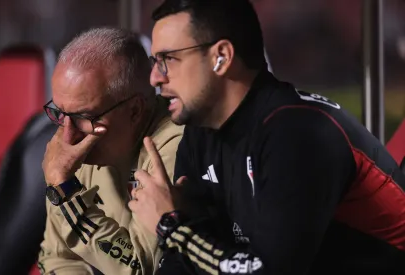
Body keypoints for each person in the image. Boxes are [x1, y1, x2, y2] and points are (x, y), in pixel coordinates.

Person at [128, 0, 405, 274]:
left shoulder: (297, 133)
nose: (155, 78)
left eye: (168, 59)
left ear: (221, 57)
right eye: (155, 61)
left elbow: (268, 271)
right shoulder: (200, 132)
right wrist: (181, 229)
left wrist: (172, 227)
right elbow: (188, 264)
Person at [38, 27, 184, 275]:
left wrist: (66, 193)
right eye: (60, 113)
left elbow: (139, 268)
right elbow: (57, 258)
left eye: (83, 116)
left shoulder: (176, 146)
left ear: (135, 111)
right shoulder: (72, 144)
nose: (67, 135)